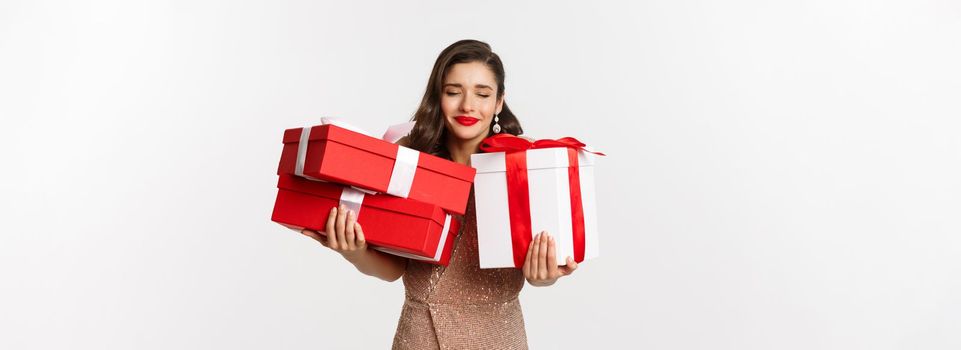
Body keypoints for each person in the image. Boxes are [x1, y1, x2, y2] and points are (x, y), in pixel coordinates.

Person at [300, 39, 579, 350]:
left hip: (499, 336)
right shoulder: (406, 160)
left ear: (499, 101)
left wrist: (546, 276)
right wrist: (353, 252)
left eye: (483, 94)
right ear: (438, 96)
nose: (468, 105)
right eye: (453, 92)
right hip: (420, 336)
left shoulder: (525, 162)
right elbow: (395, 269)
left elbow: (545, 262)